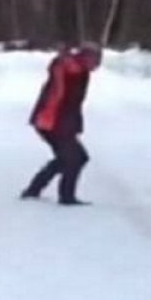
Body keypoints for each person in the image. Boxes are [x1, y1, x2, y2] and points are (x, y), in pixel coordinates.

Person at [21, 43, 102, 205]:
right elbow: (58, 96)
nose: (98, 64)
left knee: (68, 158)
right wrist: (52, 121)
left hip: (58, 121)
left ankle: (34, 189)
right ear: (85, 57)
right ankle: (66, 196)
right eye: (96, 59)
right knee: (76, 158)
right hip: (53, 121)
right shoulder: (71, 70)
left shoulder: (79, 70)